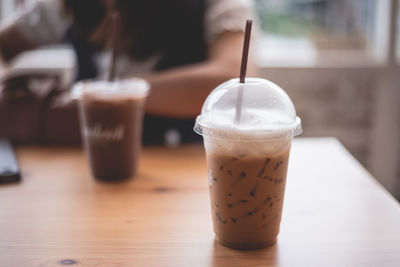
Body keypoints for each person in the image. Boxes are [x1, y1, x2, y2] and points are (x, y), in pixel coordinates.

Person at [0, 0, 258, 145]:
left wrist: (112, 94)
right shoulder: (67, 8)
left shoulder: (216, 6)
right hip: (87, 176)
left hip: (184, 179)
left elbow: (233, 82)